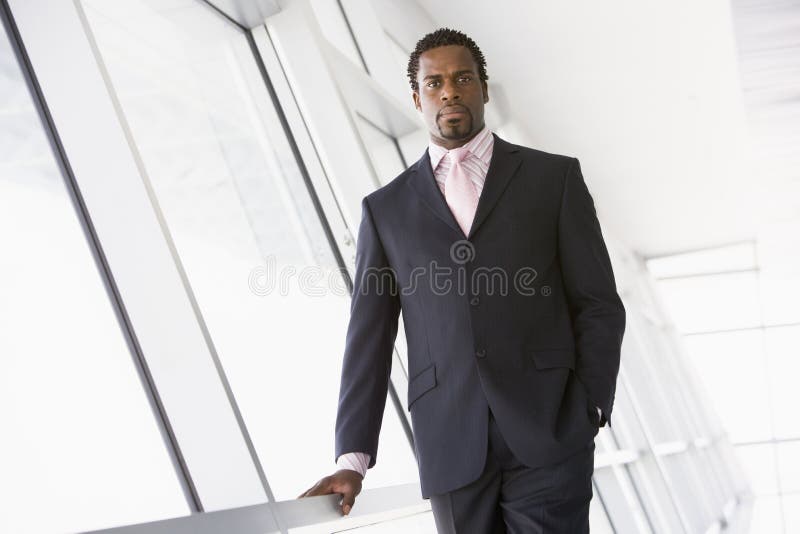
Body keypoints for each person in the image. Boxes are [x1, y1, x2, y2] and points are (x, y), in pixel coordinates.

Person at [298, 27, 626, 533]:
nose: (449, 90)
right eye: (434, 83)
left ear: (484, 89)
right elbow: (370, 335)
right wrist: (352, 458)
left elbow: (598, 302)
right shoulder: (385, 210)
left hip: (549, 430)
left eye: (462, 78)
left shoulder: (553, 179)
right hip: (449, 442)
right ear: (417, 98)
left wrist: (591, 404)